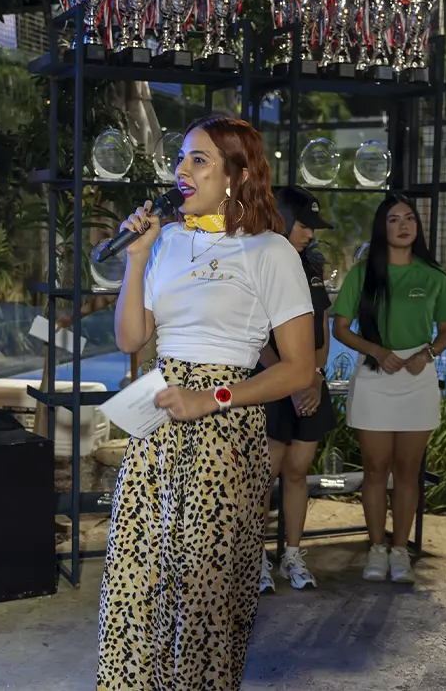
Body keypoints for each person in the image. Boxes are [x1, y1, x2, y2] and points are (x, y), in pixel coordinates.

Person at [97, 115, 317, 690]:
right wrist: (137, 259)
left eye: (200, 160)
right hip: (157, 423)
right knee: (135, 580)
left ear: (237, 175)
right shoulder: (167, 242)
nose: (183, 170)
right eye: (182, 158)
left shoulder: (270, 252)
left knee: (203, 592)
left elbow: (298, 368)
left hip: (224, 431)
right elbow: (130, 339)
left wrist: (212, 398)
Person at [331, 193, 446, 584]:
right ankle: (376, 548)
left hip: (418, 380)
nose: (403, 226)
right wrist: (377, 351)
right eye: (393, 219)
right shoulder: (363, 274)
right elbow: (340, 329)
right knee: (375, 469)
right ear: (381, 227)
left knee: (407, 471)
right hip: (375, 376)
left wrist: (427, 353)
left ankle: (400, 551)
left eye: (409, 219)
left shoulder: (433, 276)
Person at [258, 186, 336, 593]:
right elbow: (256, 339)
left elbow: (321, 329)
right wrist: (290, 383)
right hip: (270, 388)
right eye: (304, 225)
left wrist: (314, 377)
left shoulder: (311, 266)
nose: (310, 234)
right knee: (262, 478)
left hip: (309, 387)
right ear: (281, 219)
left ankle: (292, 556)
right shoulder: (257, 263)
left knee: (297, 473)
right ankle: (255, 560)